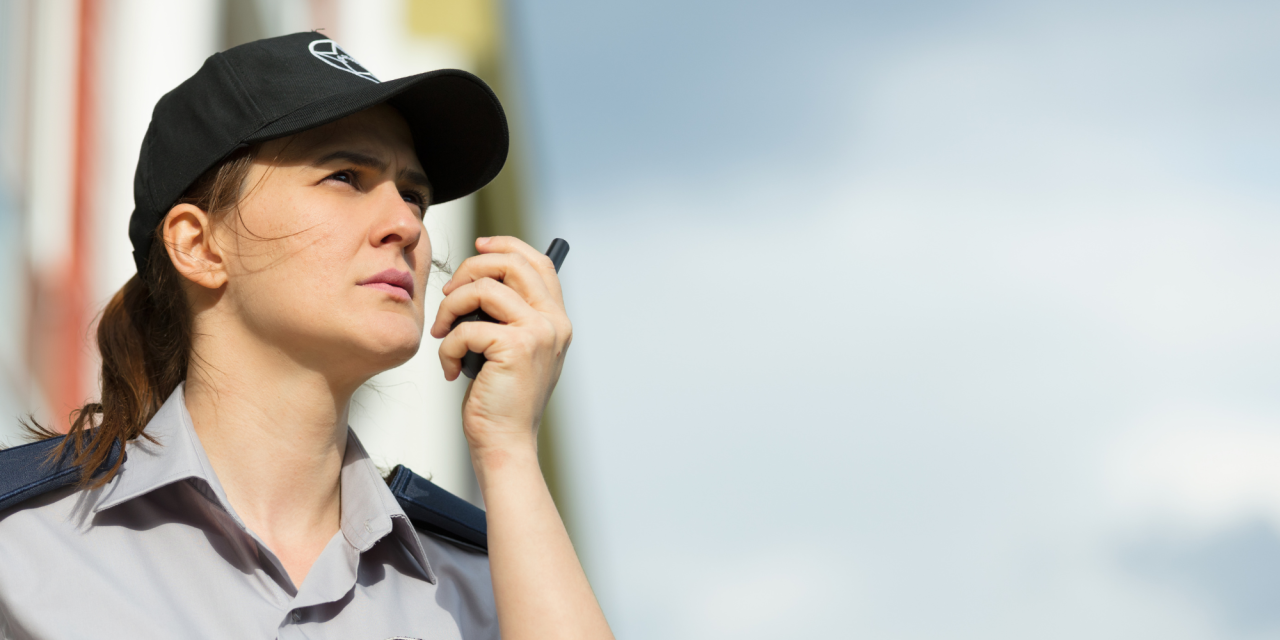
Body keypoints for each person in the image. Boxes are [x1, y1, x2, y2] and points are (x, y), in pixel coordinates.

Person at [0, 32, 612, 640]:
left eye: (414, 195)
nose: (405, 224)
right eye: (345, 176)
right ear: (198, 243)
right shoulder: (21, 546)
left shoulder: (490, 586)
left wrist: (506, 448)